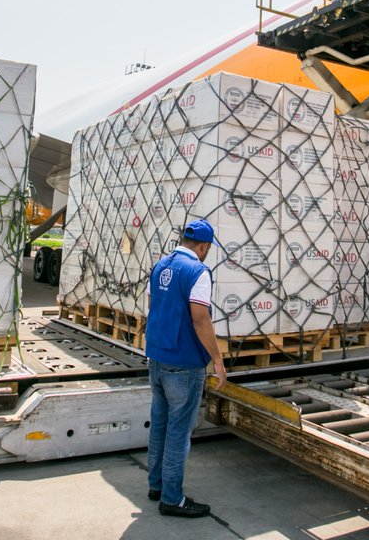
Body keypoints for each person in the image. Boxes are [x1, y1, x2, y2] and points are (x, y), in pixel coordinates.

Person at [144, 219, 227, 518]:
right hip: (184, 363)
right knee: (179, 432)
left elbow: (153, 305)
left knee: (161, 425)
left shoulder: (160, 266)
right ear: (203, 246)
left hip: (157, 357)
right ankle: (172, 498)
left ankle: (156, 485)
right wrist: (217, 360)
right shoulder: (198, 272)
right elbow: (200, 319)